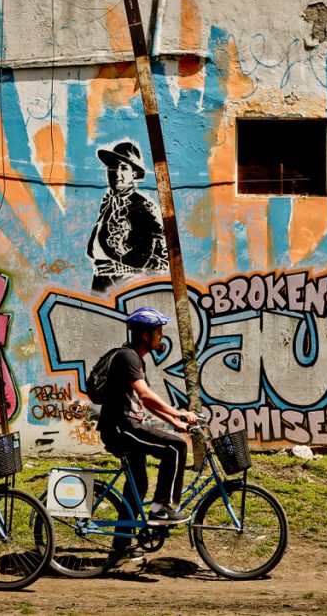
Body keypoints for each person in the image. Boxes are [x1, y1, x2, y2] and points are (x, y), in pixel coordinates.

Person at [97, 306, 198, 557]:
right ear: (146, 335)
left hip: (128, 426)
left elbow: (145, 402)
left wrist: (175, 421)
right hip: (122, 428)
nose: (161, 337)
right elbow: (144, 394)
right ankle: (160, 508)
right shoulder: (128, 357)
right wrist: (177, 413)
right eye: (159, 332)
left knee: (138, 485)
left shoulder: (137, 360)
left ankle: (120, 547)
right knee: (176, 447)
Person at [86, 142, 169, 292]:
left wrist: (123, 271)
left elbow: (153, 260)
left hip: (126, 285)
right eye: (112, 167)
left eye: (124, 167)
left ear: (134, 174)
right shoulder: (110, 202)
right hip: (102, 282)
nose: (117, 173)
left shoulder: (143, 207)